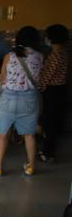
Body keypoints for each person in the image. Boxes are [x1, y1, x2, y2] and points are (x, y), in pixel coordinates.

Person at [0, 26, 43, 177]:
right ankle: (31, 167)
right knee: (29, 135)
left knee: (3, 134)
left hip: (8, 97)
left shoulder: (10, 56)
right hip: (29, 98)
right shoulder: (40, 56)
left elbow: (3, 78)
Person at [38, 24, 69, 163]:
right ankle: (48, 150)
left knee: (49, 123)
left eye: (47, 36)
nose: (45, 38)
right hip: (60, 90)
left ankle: (48, 153)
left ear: (52, 38)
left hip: (52, 91)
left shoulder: (55, 55)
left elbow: (46, 77)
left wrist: (39, 88)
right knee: (53, 122)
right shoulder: (64, 53)